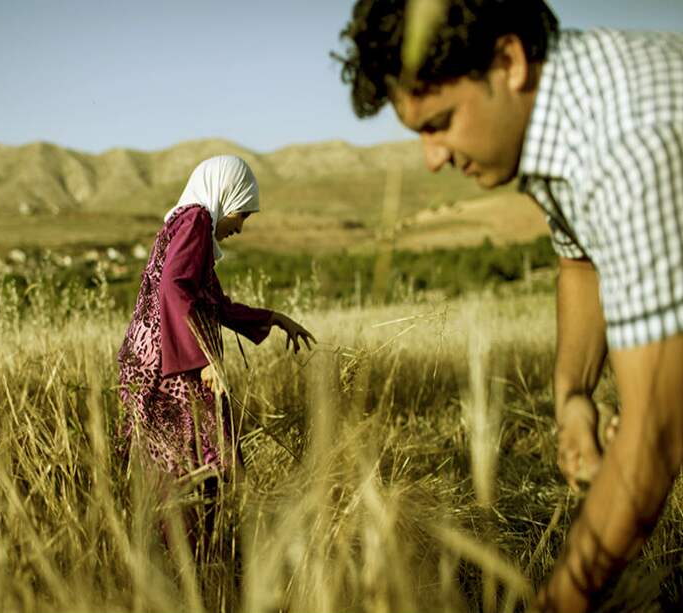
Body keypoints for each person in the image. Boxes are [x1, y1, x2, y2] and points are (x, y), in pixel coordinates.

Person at [337, 0, 683, 610]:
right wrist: (572, 397)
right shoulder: (560, 117)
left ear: (508, 61)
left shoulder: (625, 149)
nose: (432, 159)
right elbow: (579, 259)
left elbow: (655, 440)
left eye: (440, 122)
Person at [117, 155, 315, 547]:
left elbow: (214, 305)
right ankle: (192, 560)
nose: (239, 228)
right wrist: (203, 358)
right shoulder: (197, 219)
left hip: (159, 364)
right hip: (170, 370)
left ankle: (185, 559)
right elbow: (174, 287)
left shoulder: (188, 225)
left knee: (181, 466)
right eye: (242, 214)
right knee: (194, 465)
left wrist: (274, 318)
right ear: (225, 196)